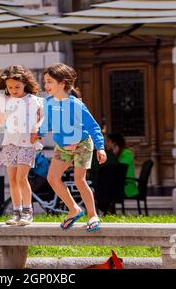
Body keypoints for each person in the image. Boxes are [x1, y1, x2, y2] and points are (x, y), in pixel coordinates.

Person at [38, 63, 107, 232]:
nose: (45, 86)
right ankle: (74, 209)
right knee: (52, 178)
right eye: (45, 82)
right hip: (62, 147)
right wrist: (38, 133)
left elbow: (93, 126)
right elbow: (47, 123)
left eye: (49, 82)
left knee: (79, 180)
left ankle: (93, 215)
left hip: (82, 145)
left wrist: (101, 147)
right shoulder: (47, 103)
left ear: (62, 84)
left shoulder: (75, 104)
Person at [0, 65, 44, 226]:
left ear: (25, 83)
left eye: (17, 86)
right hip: (10, 144)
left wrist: (38, 128)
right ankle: (16, 212)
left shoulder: (34, 100)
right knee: (12, 180)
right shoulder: (6, 101)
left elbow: (44, 118)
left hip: (27, 144)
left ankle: (28, 211)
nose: (13, 89)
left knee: (21, 177)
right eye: (10, 87)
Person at [106, 132, 138, 198]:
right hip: (118, 185)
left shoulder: (127, 154)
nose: (106, 143)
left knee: (102, 190)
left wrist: (114, 155)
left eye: (108, 141)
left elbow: (118, 170)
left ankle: (104, 208)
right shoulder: (112, 155)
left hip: (126, 187)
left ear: (114, 143)